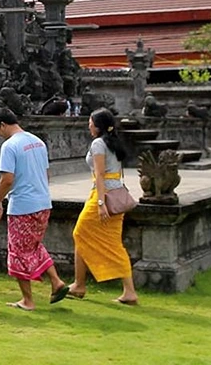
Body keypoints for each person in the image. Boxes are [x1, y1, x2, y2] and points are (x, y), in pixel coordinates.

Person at [0, 107, 70, 310]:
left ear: (3, 125)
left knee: (17, 252)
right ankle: (56, 281)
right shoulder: (38, 142)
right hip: (43, 203)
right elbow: (46, 174)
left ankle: (27, 300)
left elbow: (7, 179)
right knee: (33, 246)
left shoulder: (10, 146)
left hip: (23, 206)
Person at [67, 108, 139, 305]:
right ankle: (82, 284)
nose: (88, 125)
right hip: (115, 195)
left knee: (79, 233)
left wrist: (100, 203)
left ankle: (80, 284)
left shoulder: (98, 143)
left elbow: (100, 175)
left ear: (97, 126)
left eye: (90, 122)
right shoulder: (113, 142)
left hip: (104, 196)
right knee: (110, 242)